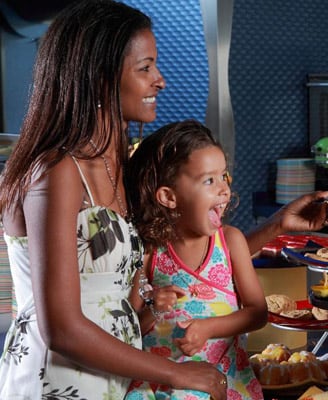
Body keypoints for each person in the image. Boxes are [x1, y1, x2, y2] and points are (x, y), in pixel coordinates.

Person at [0, 1, 226, 399]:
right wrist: (177, 374)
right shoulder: (56, 170)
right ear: (100, 77)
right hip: (55, 383)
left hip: (111, 379)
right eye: (145, 68)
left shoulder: (120, 163)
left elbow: (111, 297)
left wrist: (145, 308)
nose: (160, 81)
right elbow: (62, 328)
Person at [124, 120, 267, 399]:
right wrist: (153, 308)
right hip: (164, 385)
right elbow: (129, 328)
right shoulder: (150, 250)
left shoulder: (230, 242)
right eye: (208, 180)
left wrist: (207, 329)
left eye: (224, 176)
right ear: (169, 196)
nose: (224, 189)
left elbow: (257, 312)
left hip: (224, 380)